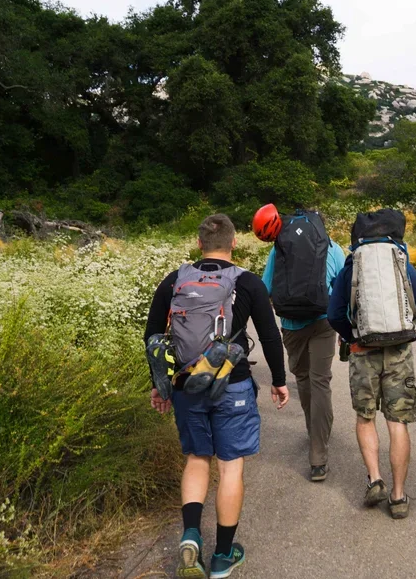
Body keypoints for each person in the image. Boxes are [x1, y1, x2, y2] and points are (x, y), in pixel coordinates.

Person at [145, 214, 290, 579]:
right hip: (233, 384)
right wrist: (278, 380)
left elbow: (151, 336)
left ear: (199, 245)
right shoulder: (248, 282)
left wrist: (160, 384)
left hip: (185, 385)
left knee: (197, 459)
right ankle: (223, 556)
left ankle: (191, 533)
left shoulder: (175, 280)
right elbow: (270, 336)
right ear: (234, 244)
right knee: (230, 466)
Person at [327, 209, 416, 520]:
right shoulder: (402, 264)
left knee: (365, 416)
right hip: (399, 351)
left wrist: (353, 336)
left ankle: (375, 479)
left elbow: (334, 314)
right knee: (397, 422)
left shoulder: (351, 266)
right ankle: (398, 497)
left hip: (362, 351)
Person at [262, 211, 346, 482]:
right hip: (324, 320)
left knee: (304, 380)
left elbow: (266, 288)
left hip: (291, 324)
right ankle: (318, 454)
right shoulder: (332, 248)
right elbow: (343, 289)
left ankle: (315, 432)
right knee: (321, 381)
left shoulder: (280, 248)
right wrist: (345, 328)